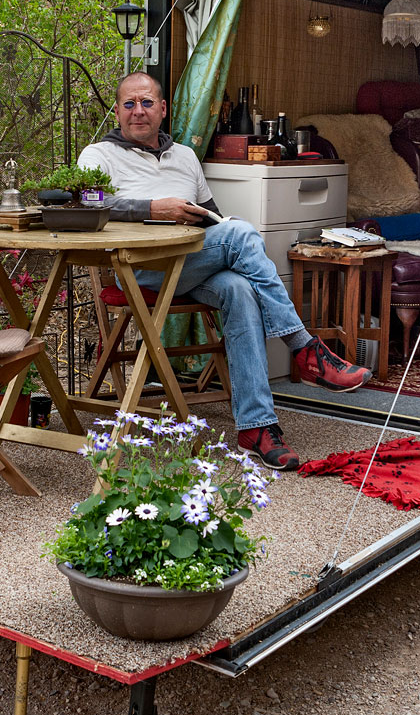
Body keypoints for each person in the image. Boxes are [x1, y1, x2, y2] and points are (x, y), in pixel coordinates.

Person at [77, 72, 371, 471]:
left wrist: (216, 223)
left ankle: (256, 428)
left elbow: (212, 218)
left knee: (238, 288)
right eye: (129, 104)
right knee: (243, 234)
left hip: (191, 264)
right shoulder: (98, 155)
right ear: (117, 110)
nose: (138, 111)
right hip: (140, 269)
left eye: (147, 102)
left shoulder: (184, 156)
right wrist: (151, 209)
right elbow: (87, 206)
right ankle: (305, 349)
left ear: (163, 109)